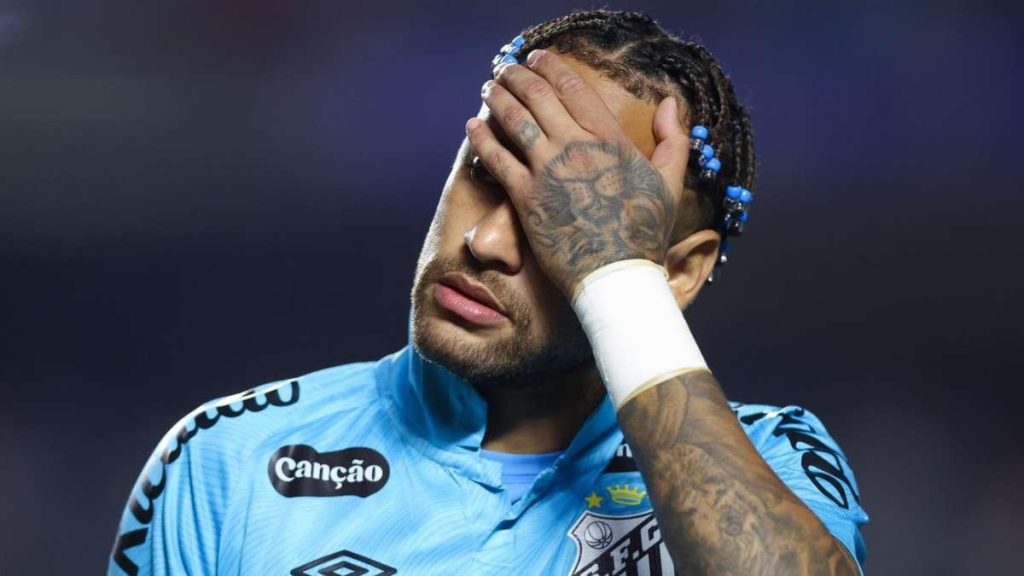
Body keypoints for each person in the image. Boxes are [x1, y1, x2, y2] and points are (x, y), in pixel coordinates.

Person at [109, 10, 868, 575]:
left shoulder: (776, 459)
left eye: (563, 217)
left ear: (673, 272)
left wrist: (612, 277)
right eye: (485, 174)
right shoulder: (228, 460)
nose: (487, 241)